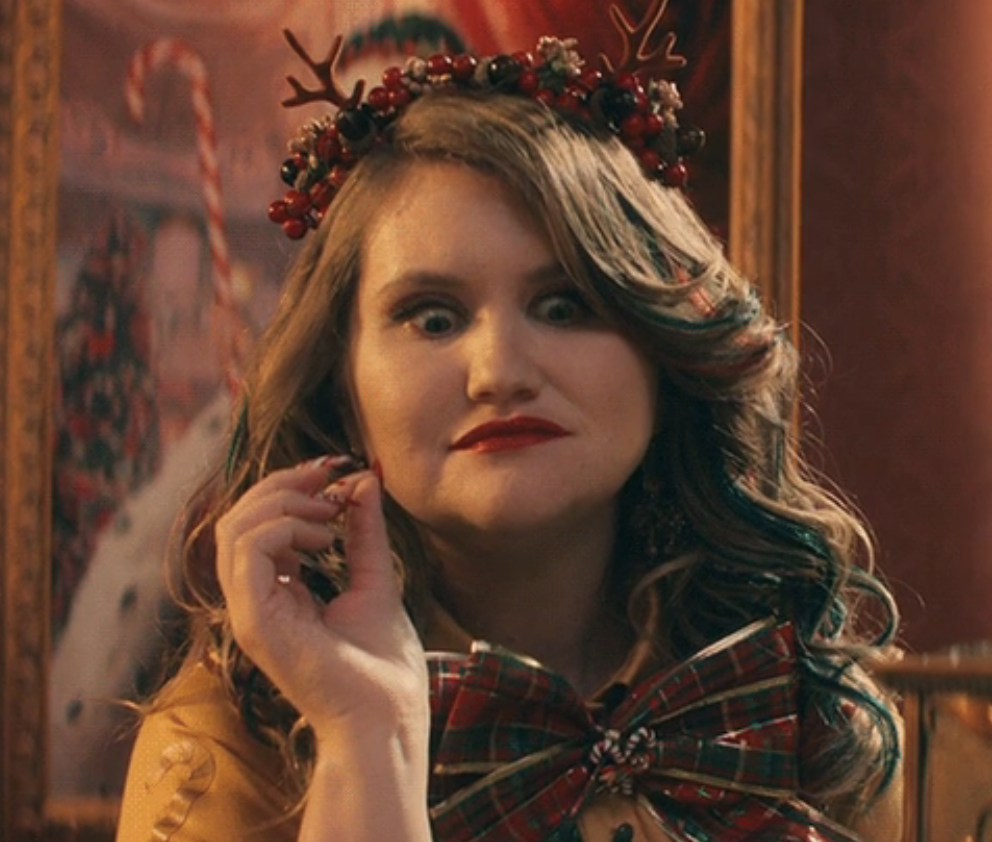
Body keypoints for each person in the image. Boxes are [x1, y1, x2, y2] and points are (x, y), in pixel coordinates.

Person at [114, 20, 903, 842]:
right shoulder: (218, 747)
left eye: (563, 305)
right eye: (433, 317)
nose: (500, 370)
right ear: (341, 386)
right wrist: (365, 740)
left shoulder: (816, 718)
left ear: (662, 350)